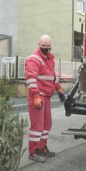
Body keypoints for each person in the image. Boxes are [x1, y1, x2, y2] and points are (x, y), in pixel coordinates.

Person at [25, 35, 66, 163]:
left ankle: (42, 148)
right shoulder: (34, 59)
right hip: (38, 96)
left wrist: (58, 89)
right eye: (43, 46)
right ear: (39, 45)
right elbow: (31, 79)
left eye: (48, 47)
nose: (46, 49)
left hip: (46, 96)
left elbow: (52, 77)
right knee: (37, 126)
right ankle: (33, 152)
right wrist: (36, 95)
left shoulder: (49, 58)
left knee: (47, 124)